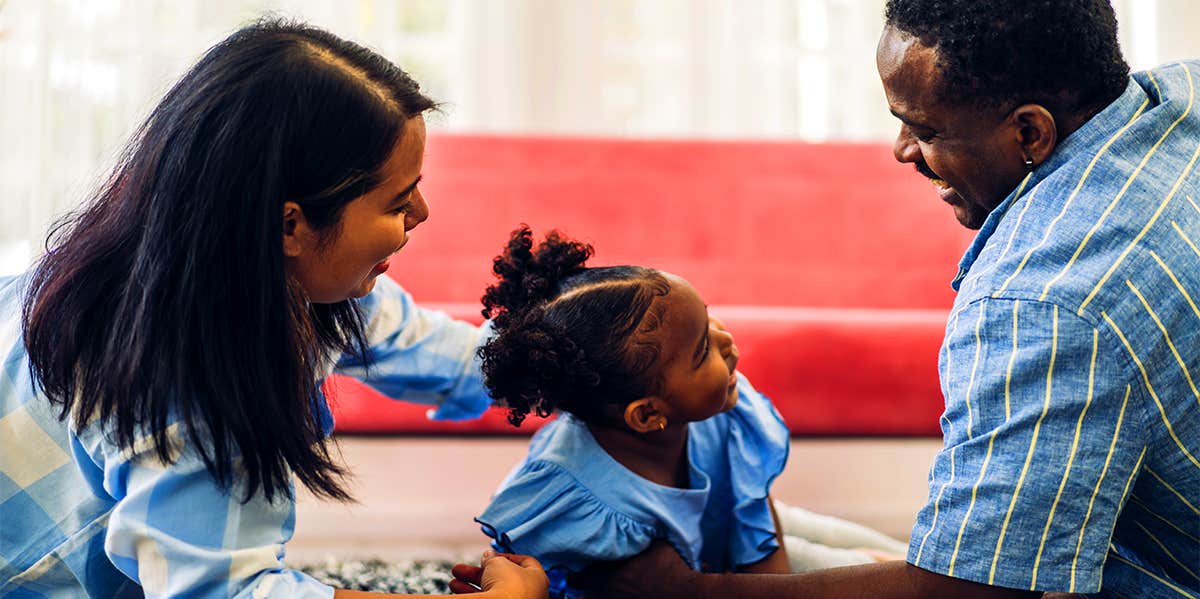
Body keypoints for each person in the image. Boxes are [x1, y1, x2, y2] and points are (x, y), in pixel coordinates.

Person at [581, 1, 1200, 597]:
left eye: (926, 130)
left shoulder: (1038, 303)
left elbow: (965, 590)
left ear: (1030, 131)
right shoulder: (1183, 91)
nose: (902, 149)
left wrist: (688, 594)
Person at [0, 19, 547, 599]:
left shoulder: (282, 279)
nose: (423, 212)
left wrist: (601, 344)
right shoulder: (192, 379)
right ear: (291, 225)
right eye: (396, 200)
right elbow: (227, 592)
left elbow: (453, 357)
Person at [469, 226, 906, 598]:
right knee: (866, 573)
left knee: (900, 558)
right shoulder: (584, 500)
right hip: (694, 557)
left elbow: (758, 532)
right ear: (647, 415)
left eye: (708, 318)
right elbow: (682, 586)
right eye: (702, 351)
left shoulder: (713, 410)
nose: (727, 341)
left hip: (730, 517)